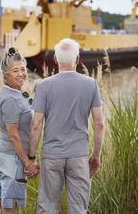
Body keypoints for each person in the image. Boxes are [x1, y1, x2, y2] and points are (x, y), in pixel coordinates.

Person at [28, 38, 104, 214]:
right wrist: (95, 155)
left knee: (47, 208)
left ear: (55, 59)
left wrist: (31, 158)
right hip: (79, 155)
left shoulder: (44, 86)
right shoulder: (91, 84)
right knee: (78, 209)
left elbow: (36, 125)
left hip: (51, 155)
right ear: (77, 60)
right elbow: (99, 124)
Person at [0, 47, 39, 214]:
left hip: (5, 154)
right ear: (5, 75)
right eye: (15, 70)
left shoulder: (14, 92)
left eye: (23, 69)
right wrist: (27, 162)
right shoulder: (10, 98)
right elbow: (13, 134)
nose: (21, 74)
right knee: (9, 205)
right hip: (12, 157)